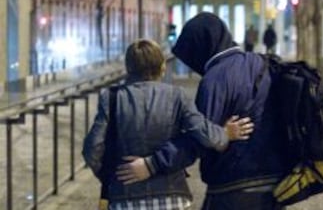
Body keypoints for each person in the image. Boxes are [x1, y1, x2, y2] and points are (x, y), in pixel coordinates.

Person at [116, 13, 290, 210]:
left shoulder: (215, 79)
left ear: (202, 47)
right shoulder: (262, 63)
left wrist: (152, 164)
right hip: (275, 185)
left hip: (232, 187)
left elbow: (198, 138)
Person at [82, 39, 253, 210]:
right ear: (162, 67)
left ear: (128, 68)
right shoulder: (177, 96)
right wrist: (225, 134)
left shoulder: (111, 98)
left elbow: (92, 149)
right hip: (173, 197)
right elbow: (205, 136)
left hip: (125, 200)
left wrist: (114, 176)